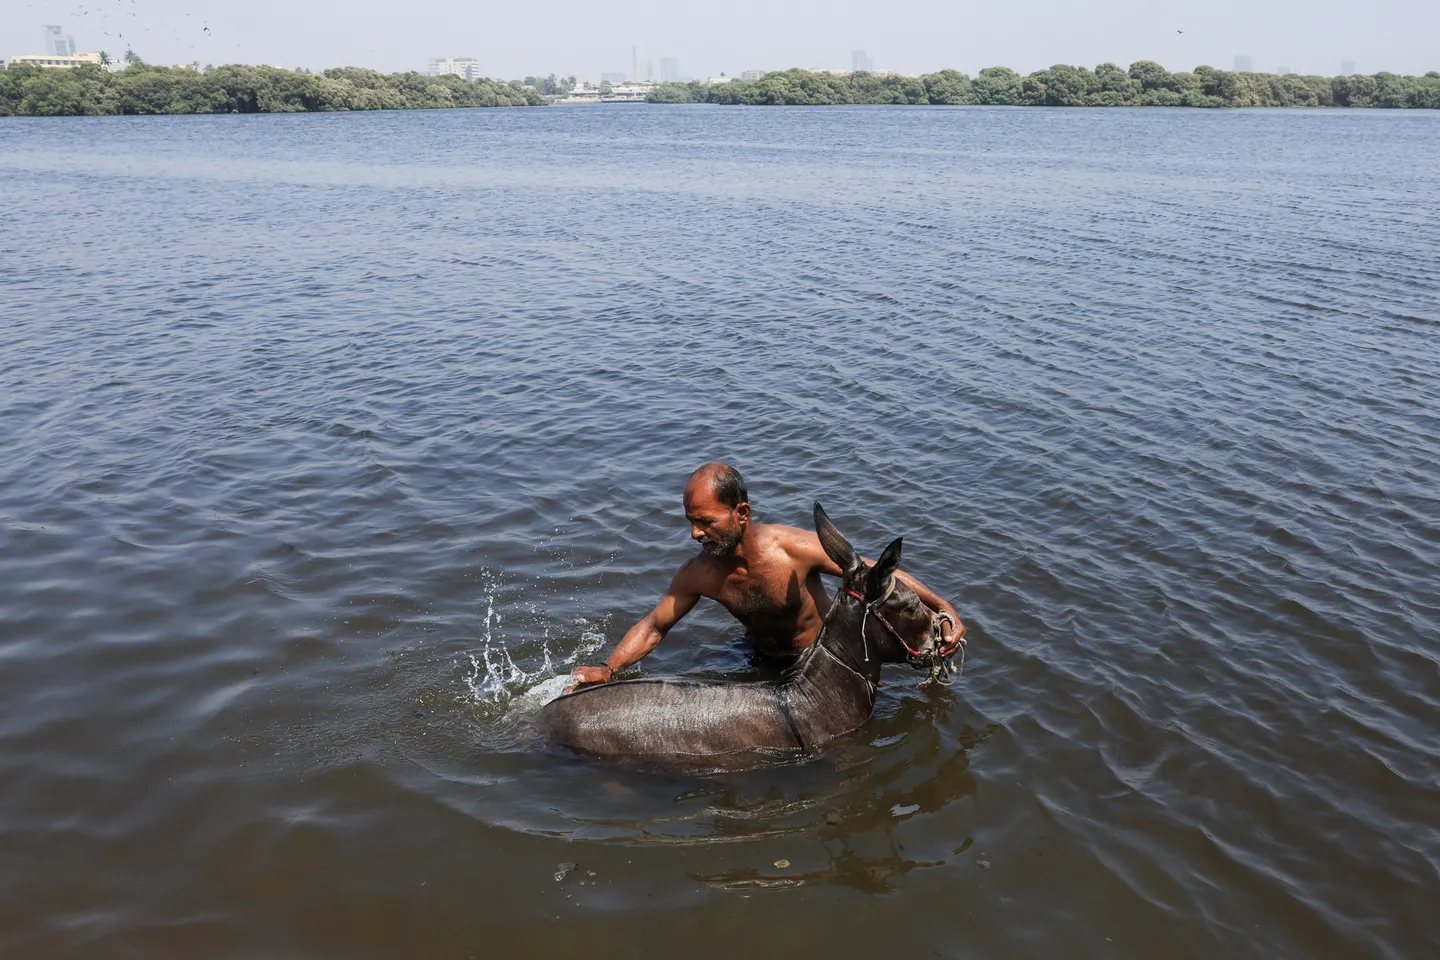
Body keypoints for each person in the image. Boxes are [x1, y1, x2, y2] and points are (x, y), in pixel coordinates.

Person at [565, 462, 965, 693]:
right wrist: (609, 668)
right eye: (690, 522)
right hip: (763, 661)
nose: (694, 534)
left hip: (824, 659)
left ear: (742, 513)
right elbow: (654, 626)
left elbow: (877, 576)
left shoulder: (795, 550)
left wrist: (944, 609)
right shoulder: (700, 574)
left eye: (706, 522)